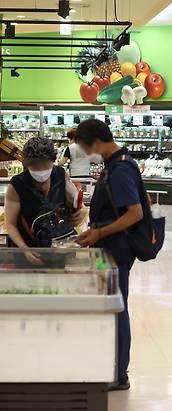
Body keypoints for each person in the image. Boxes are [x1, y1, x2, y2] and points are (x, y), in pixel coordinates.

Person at [74, 119, 145, 391]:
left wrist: (100, 234)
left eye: (83, 147)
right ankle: (112, 367)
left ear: (94, 142)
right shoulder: (118, 163)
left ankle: (119, 374)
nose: (84, 152)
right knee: (112, 307)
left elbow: (135, 212)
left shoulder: (119, 169)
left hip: (116, 250)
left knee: (117, 309)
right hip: (111, 248)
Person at [5, 137, 85, 255]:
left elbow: (74, 202)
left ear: (52, 161)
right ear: (26, 164)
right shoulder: (17, 185)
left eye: (46, 166)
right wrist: (25, 249)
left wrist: (82, 210)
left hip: (60, 247)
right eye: (36, 167)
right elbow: (10, 224)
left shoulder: (61, 175)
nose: (41, 171)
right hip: (28, 248)